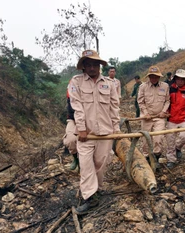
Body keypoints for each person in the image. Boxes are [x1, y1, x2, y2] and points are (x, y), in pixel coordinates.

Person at [69, 50, 120, 214]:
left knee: (101, 165)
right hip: (85, 134)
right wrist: (82, 128)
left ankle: (96, 191)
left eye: (94, 64)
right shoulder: (76, 82)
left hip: (105, 132)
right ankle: (89, 198)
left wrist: (116, 128)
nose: (92, 68)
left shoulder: (109, 84)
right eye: (88, 64)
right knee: (85, 166)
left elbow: (114, 108)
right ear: (83, 66)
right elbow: (76, 106)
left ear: (99, 66)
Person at [137, 66, 170, 163]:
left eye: (156, 76)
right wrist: (146, 113)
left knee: (158, 138)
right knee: (145, 140)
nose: (154, 79)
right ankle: (146, 158)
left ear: (159, 77)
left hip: (159, 117)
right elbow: (140, 102)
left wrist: (163, 111)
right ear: (149, 77)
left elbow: (167, 101)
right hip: (146, 117)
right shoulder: (143, 87)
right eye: (152, 76)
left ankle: (156, 157)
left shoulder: (165, 86)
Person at [165, 69, 185, 169]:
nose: (179, 81)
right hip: (171, 118)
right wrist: (166, 112)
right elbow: (166, 102)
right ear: (175, 79)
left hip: (183, 118)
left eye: (182, 79)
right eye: (178, 79)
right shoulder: (170, 89)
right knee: (170, 140)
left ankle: (178, 147)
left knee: (184, 136)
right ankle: (171, 159)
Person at [63, 84, 79, 170]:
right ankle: (76, 159)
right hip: (73, 119)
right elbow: (71, 110)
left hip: (90, 119)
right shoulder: (73, 85)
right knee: (70, 140)